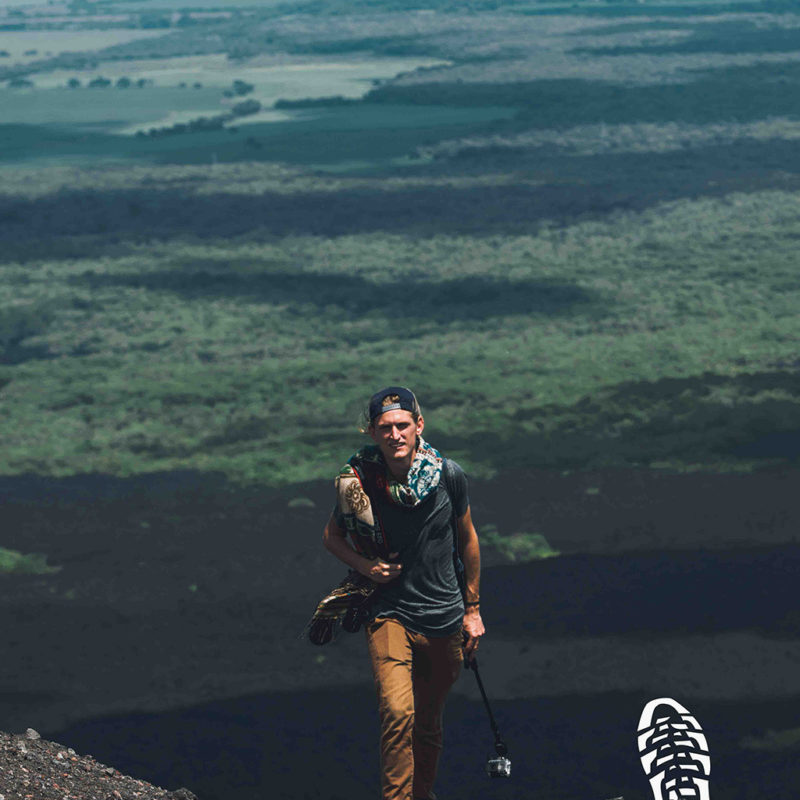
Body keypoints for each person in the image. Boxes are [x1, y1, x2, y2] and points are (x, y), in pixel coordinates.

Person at [322, 386, 485, 800]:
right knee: (398, 713)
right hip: (389, 613)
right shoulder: (357, 482)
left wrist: (473, 610)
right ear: (372, 432)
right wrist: (366, 568)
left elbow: (467, 540)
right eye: (385, 428)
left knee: (428, 723)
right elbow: (332, 536)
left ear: (418, 427)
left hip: (444, 619)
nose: (395, 435)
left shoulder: (448, 476)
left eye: (402, 425)